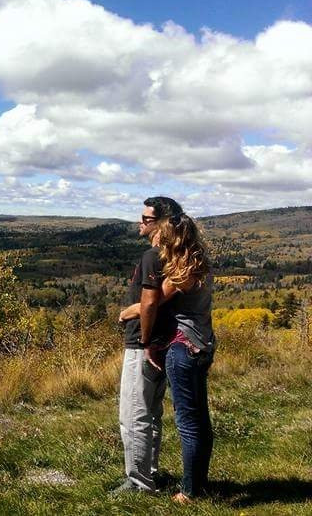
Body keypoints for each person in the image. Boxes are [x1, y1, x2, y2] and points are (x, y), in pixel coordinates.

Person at [120, 204, 215, 503]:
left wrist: (132, 318)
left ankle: (188, 491)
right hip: (199, 343)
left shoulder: (181, 270)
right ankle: (194, 484)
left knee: (186, 421)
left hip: (183, 346)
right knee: (196, 419)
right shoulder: (196, 262)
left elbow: (154, 301)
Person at [111, 196, 182, 495]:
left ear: (162, 223)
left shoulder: (152, 256)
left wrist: (141, 335)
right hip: (164, 342)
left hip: (145, 344)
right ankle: (149, 473)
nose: (139, 223)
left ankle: (139, 482)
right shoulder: (177, 256)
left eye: (146, 219)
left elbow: (151, 301)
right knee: (151, 412)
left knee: (133, 414)